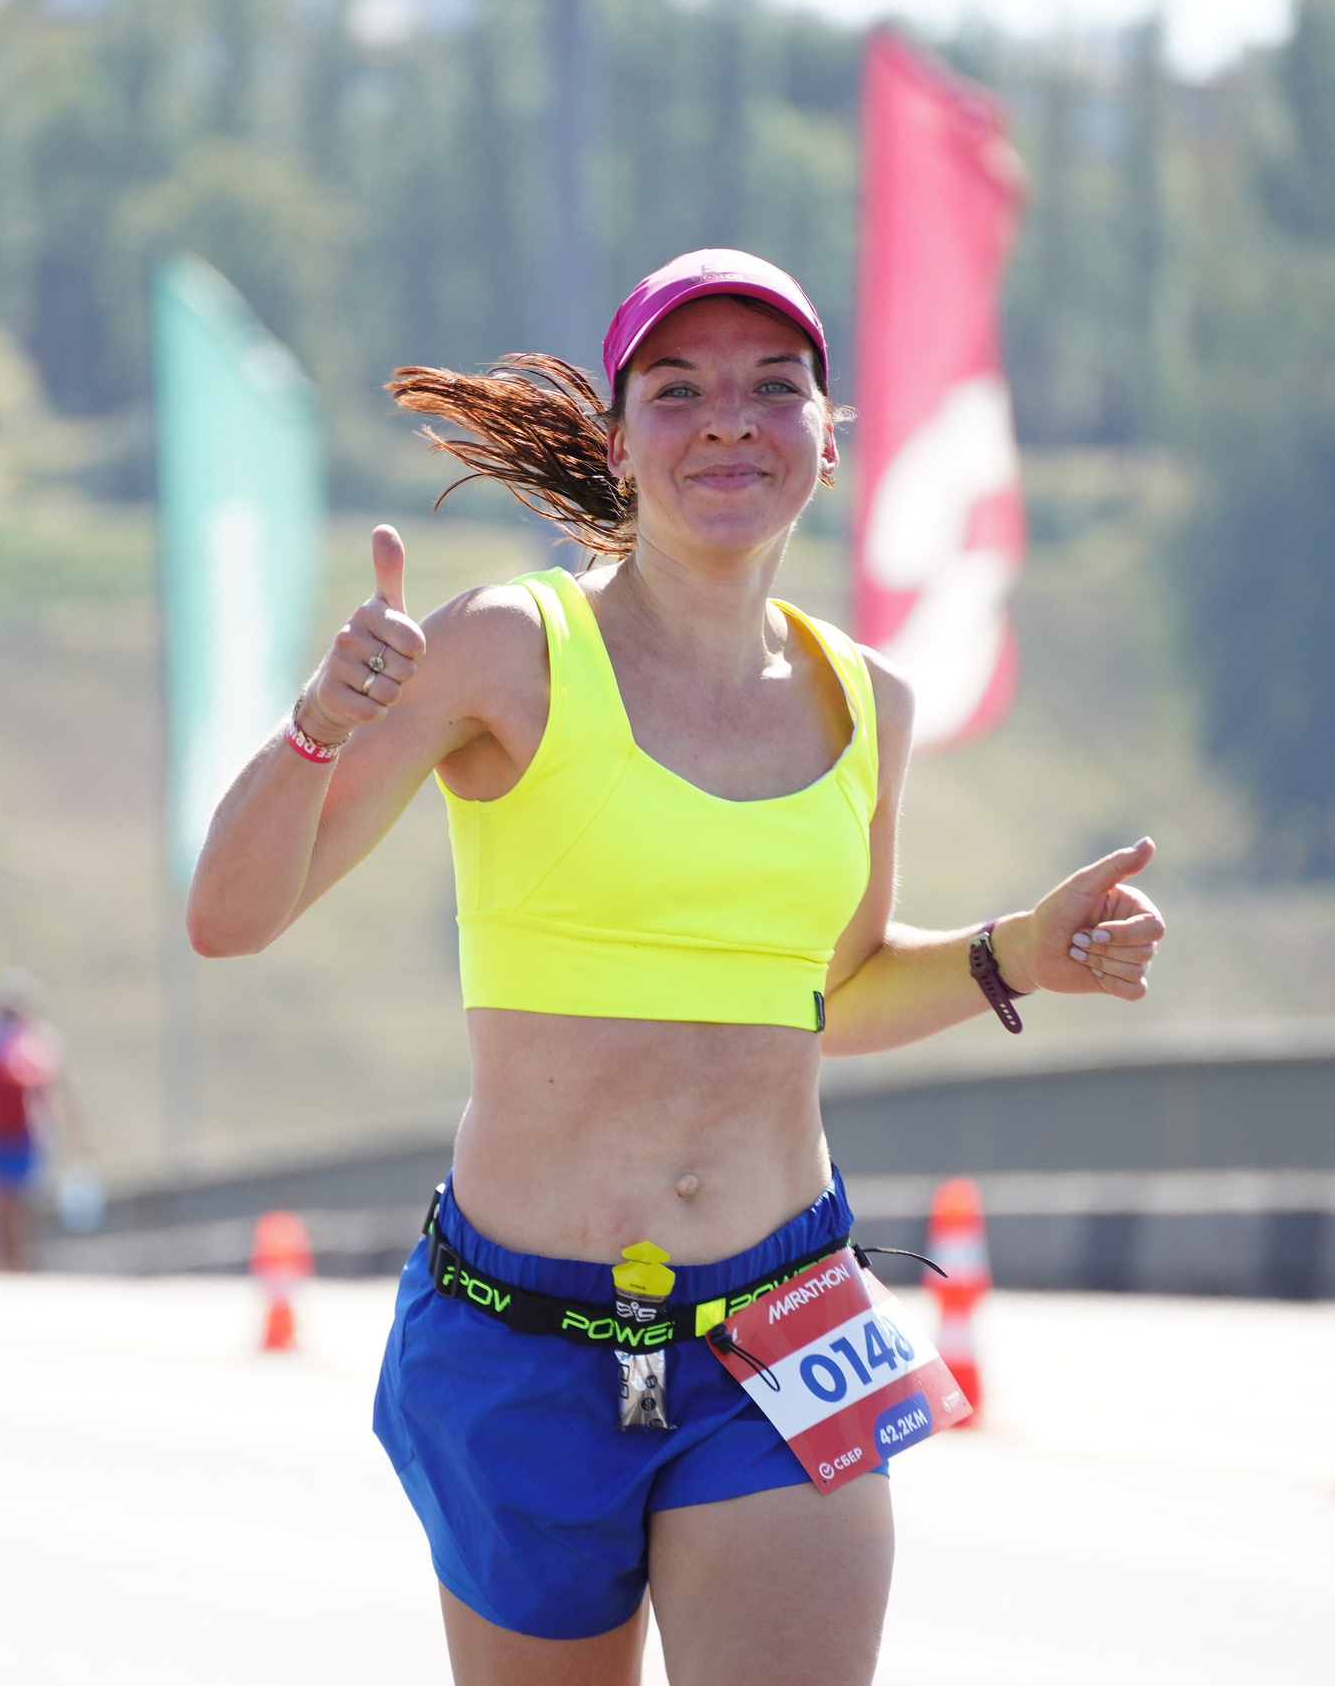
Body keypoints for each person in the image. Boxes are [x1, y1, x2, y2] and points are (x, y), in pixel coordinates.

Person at [186, 250, 1166, 1686]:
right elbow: (231, 914)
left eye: (776, 389)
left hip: (779, 1319)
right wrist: (320, 725)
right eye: (680, 388)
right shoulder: (512, 648)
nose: (730, 420)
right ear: (618, 441)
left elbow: (821, 993)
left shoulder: (867, 700)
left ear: (828, 443)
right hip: (521, 1336)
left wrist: (1014, 953)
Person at [0, 975, 80, 1272]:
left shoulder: (11, 1040)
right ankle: (14, 1266)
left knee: (9, 1208)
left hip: (13, 1132)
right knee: (12, 1208)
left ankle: (14, 1266)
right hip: (13, 1132)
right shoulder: (23, 1039)